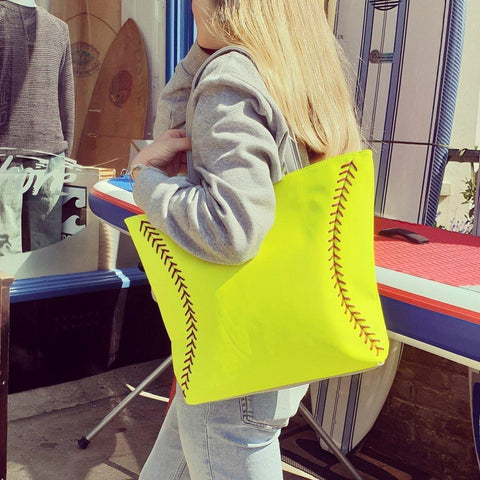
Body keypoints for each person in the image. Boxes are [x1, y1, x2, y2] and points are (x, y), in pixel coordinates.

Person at [131, 1, 362, 479]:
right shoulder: (297, 68)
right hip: (285, 335)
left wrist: (144, 177)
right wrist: (203, 49)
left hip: (235, 352)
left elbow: (230, 229)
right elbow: (179, 129)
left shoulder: (230, 79)